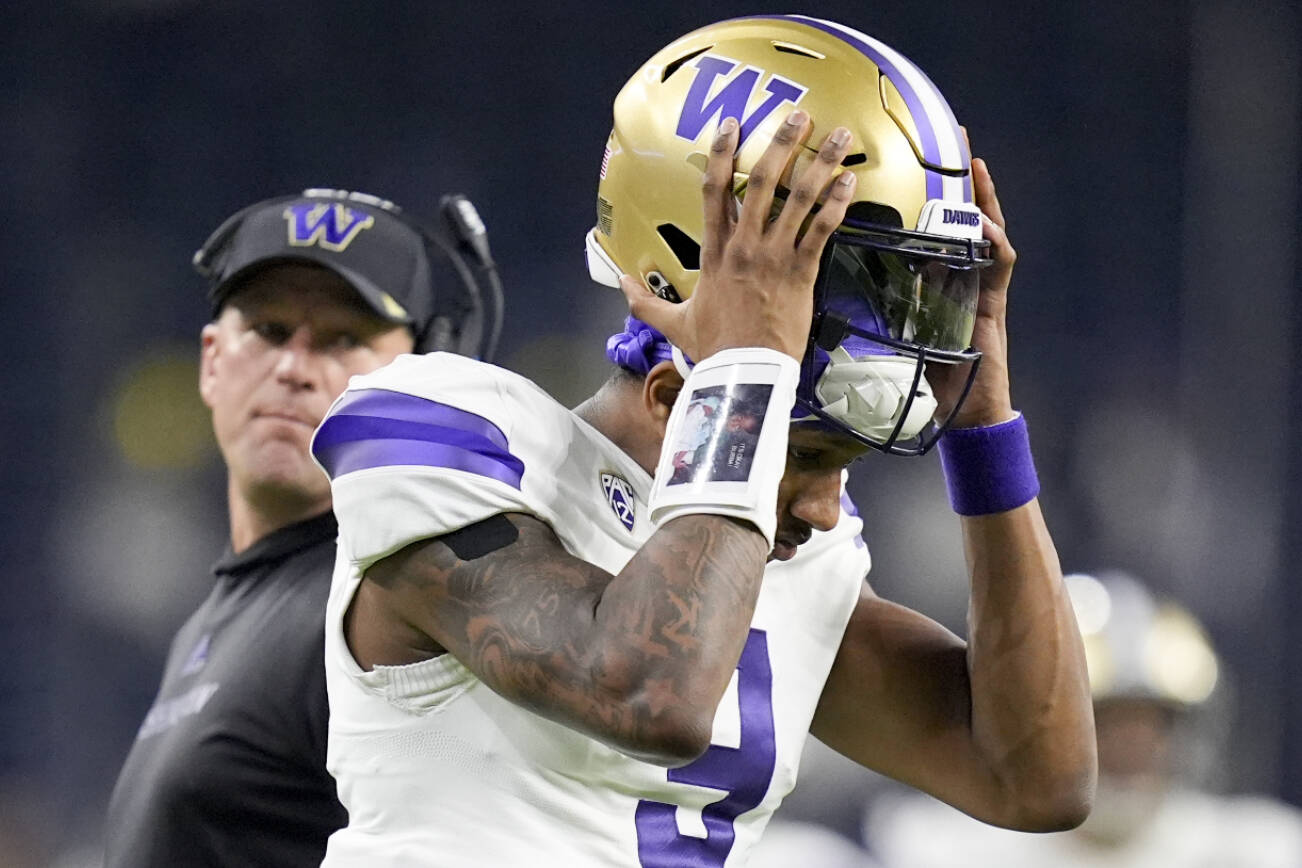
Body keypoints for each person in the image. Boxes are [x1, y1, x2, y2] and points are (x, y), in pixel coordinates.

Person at [312, 16, 1095, 866]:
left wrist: (984, 429)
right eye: (810, 456)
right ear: (672, 393)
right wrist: (749, 367)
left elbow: (1035, 779)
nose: (829, 513)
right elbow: (650, 694)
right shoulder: (444, 430)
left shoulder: (793, 566)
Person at [103, 188, 494, 866]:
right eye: (269, 331)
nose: (294, 368)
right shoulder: (219, 620)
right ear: (212, 361)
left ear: (427, 379)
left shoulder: (391, 602)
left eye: (346, 338)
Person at [867, 571, 1302, 868]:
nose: (1131, 747)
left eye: (1150, 724)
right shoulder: (947, 848)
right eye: (1105, 723)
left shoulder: (1248, 851)